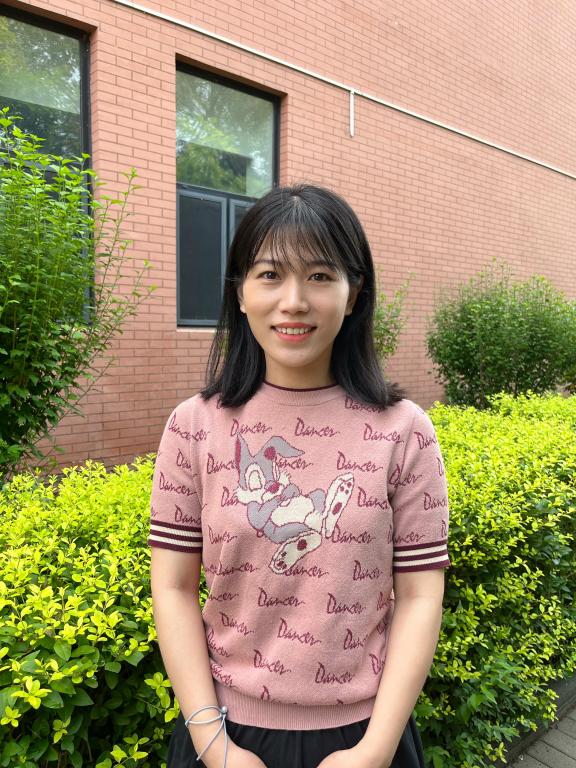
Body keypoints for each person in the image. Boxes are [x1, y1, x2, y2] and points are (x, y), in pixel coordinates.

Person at [149, 184, 450, 768]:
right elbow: (174, 587)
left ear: (353, 292)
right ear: (240, 293)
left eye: (318, 276)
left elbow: (420, 595)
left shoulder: (404, 431)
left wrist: (375, 750)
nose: (293, 301)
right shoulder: (194, 427)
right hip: (224, 733)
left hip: (365, 737)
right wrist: (214, 745)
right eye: (269, 275)